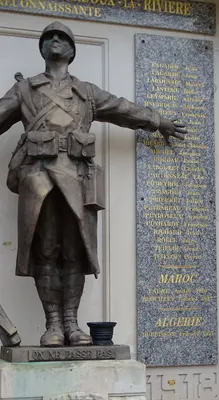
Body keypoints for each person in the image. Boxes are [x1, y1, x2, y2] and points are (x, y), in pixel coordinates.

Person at [0, 21, 187, 347]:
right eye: (49, 38)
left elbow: (122, 109)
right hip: (38, 177)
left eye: (62, 38)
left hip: (78, 178)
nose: (55, 41)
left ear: (72, 50)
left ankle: (72, 323)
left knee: (75, 252)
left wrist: (158, 121)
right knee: (45, 251)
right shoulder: (25, 90)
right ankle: (53, 326)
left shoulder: (86, 92)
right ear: (42, 49)